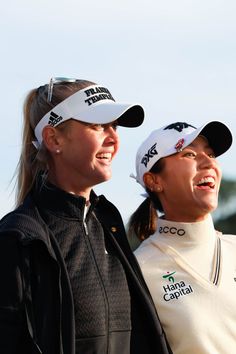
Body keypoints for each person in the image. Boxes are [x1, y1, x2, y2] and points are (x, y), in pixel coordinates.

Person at [0, 77, 172, 354]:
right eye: (98, 126)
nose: (114, 138)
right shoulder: (18, 237)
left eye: (114, 127)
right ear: (54, 138)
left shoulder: (107, 222)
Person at [129, 121, 236, 354]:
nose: (208, 162)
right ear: (154, 181)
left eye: (210, 154)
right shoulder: (137, 271)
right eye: (189, 154)